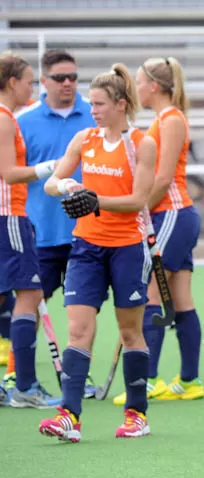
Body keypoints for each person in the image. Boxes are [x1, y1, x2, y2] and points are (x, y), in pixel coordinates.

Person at [38, 63, 158, 441]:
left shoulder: (142, 144)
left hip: (127, 247)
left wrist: (94, 199)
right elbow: (53, 182)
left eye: (101, 103)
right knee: (78, 330)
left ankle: (136, 414)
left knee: (129, 331)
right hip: (86, 247)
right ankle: (69, 416)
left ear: (122, 104)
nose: (94, 110)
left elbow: (139, 199)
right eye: (92, 104)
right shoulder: (84, 139)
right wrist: (64, 187)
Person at [109, 56, 202, 406]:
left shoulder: (171, 119)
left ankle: (148, 378)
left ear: (155, 86)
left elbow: (163, 178)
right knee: (179, 298)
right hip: (169, 215)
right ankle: (190, 380)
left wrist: (139, 210)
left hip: (172, 214)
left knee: (151, 294)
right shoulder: (162, 120)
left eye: (139, 81)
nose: (136, 87)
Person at [15, 48, 98, 398]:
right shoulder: (24, 121)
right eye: (60, 78)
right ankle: (19, 377)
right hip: (43, 233)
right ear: (43, 81)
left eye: (73, 77)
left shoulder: (96, 115)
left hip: (88, 232)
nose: (68, 84)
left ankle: (77, 378)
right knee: (31, 307)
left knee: (82, 313)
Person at [0, 53, 62, 409]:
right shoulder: (6, 118)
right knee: (30, 295)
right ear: (12, 82)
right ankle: (25, 387)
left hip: (8, 215)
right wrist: (51, 166)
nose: (32, 89)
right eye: (28, 82)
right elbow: (10, 173)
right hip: (9, 215)